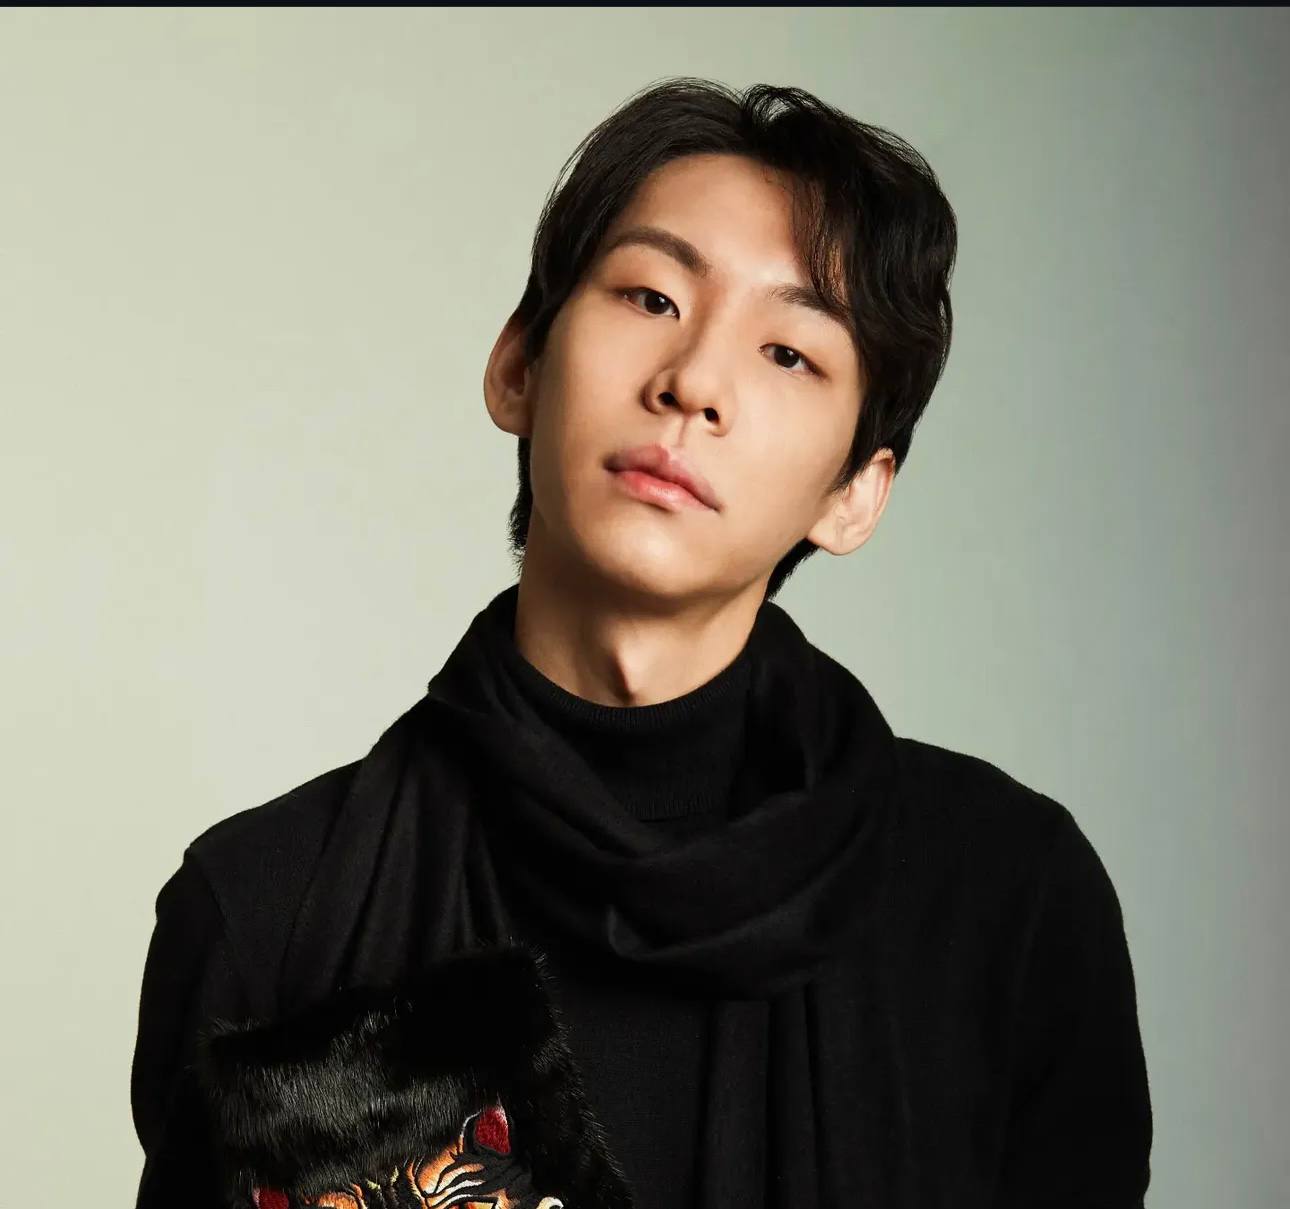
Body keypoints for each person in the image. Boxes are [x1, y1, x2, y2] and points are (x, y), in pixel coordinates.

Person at [130, 77, 1153, 1209]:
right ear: (519, 367)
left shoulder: (1007, 898)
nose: (695, 382)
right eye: (651, 296)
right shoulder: (265, 908)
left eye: (790, 352)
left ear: (855, 494)